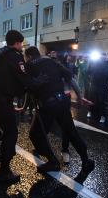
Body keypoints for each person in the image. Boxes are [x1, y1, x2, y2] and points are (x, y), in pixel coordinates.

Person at [24, 46, 95, 183]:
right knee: (71, 132)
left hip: (48, 105)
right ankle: (86, 161)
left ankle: (52, 161)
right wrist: (80, 97)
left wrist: (23, 106)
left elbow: (28, 88)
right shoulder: (52, 62)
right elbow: (71, 79)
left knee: (34, 134)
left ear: (29, 57)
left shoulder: (29, 66)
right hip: (62, 101)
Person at [0, 30, 46, 184]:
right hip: (2, 99)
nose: (21, 47)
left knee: (3, 124)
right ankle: (4, 171)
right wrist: (40, 82)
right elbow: (24, 77)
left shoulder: (0, 53)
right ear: (18, 43)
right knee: (11, 132)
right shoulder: (14, 56)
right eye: (21, 44)